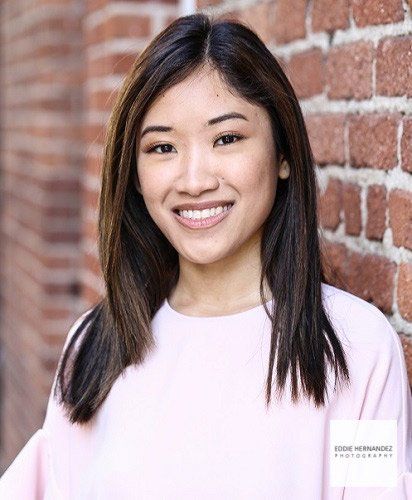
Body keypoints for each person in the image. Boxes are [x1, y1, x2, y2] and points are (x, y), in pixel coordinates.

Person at [0, 12, 411, 499]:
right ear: (133, 173)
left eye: (227, 138)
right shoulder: (92, 349)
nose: (194, 180)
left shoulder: (357, 350)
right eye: (162, 148)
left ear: (282, 154)